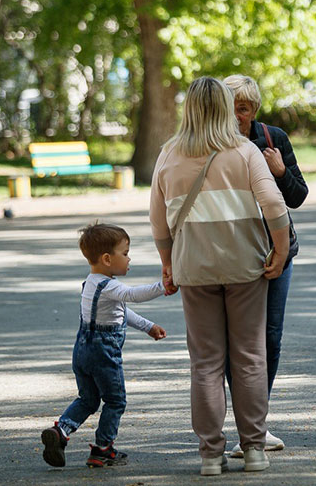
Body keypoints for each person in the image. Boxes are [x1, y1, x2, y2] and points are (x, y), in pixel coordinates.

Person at [149, 76, 290, 476]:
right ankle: (255, 449)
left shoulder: (168, 155)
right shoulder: (243, 150)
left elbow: (157, 219)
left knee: (206, 363)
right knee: (249, 357)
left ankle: (211, 454)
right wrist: (279, 251)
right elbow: (274, 205)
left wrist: (167, 260)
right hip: (246, 265)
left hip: (194, 267)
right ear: (224, 108)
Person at [221, 74, 308, 457]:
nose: (237, 117)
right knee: (234, 342)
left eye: (243, 108)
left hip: (277, 251)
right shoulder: (213, 143)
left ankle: (258, 422)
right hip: (232, 253)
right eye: (230, 108)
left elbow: (298, 196)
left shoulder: (274, 139)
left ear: (254, 109)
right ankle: (244, 423)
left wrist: (279, 171)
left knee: (269, 338)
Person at [41, 222, 170, 468]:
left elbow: (121, 310)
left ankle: (61, 431)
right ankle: (103, 448)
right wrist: (162, 287)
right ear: (107, 259)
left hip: (82, 349)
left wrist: (148, 326)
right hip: (103, 352)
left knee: (88, 399)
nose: (129, 258)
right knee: (115, 400)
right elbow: (131, 296)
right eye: (125, 253)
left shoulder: (91, 283)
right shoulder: (110, 286)